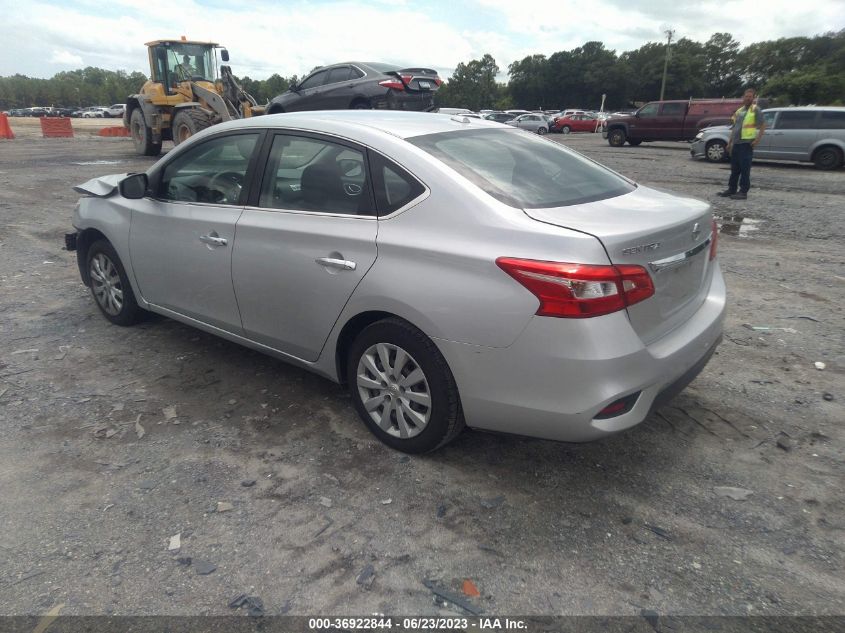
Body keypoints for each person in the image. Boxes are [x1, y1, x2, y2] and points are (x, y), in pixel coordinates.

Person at [717, 88, 766, 200]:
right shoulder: (739, 111)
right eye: (746, 96)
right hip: (737, 144)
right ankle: (731, 189)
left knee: (745, 169)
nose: (748, 98)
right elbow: (735, 128)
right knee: (735, 169)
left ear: (753, 98)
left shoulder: (755, 110)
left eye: (750, 96)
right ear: (743, 97)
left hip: (746, 144)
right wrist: (730, 142)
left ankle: (743, 192)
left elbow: (763, 125)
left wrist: (757, 140)